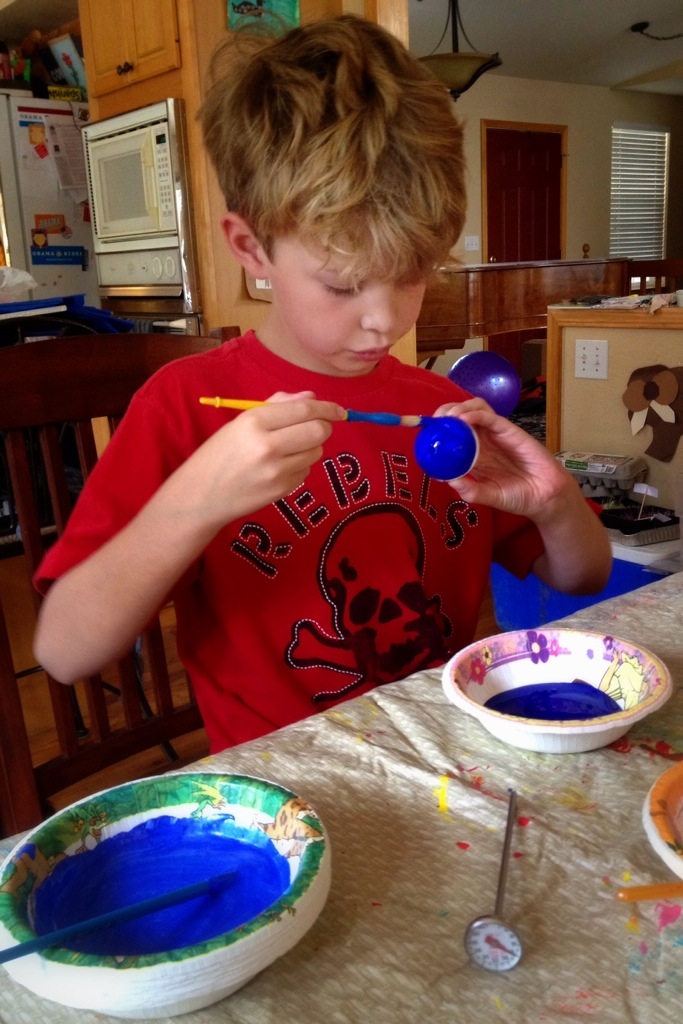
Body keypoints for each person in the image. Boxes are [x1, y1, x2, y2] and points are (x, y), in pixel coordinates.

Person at [33, 15, 611, 753]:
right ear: (251, 248)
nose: (383, 321)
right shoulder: (186, 406)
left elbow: (583, 576)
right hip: (287, 782)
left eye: (412, 274)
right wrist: (195, 501)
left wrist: (555, 502)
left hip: (452, 755)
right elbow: (65, 650)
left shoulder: (438, 410)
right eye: (341, 284)